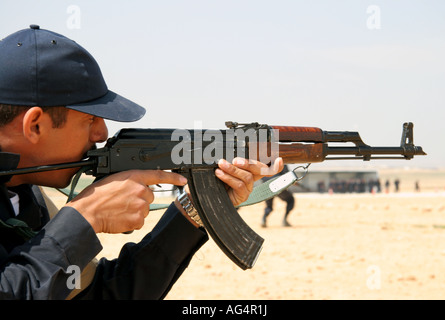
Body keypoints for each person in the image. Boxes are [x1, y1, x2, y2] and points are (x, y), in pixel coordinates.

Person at [0, 25, 283, 300]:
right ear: (35, 125)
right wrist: (81, 219)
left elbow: (99, 294)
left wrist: (194, 209)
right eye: (90, 119)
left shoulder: (23, 193)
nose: (102, 133)